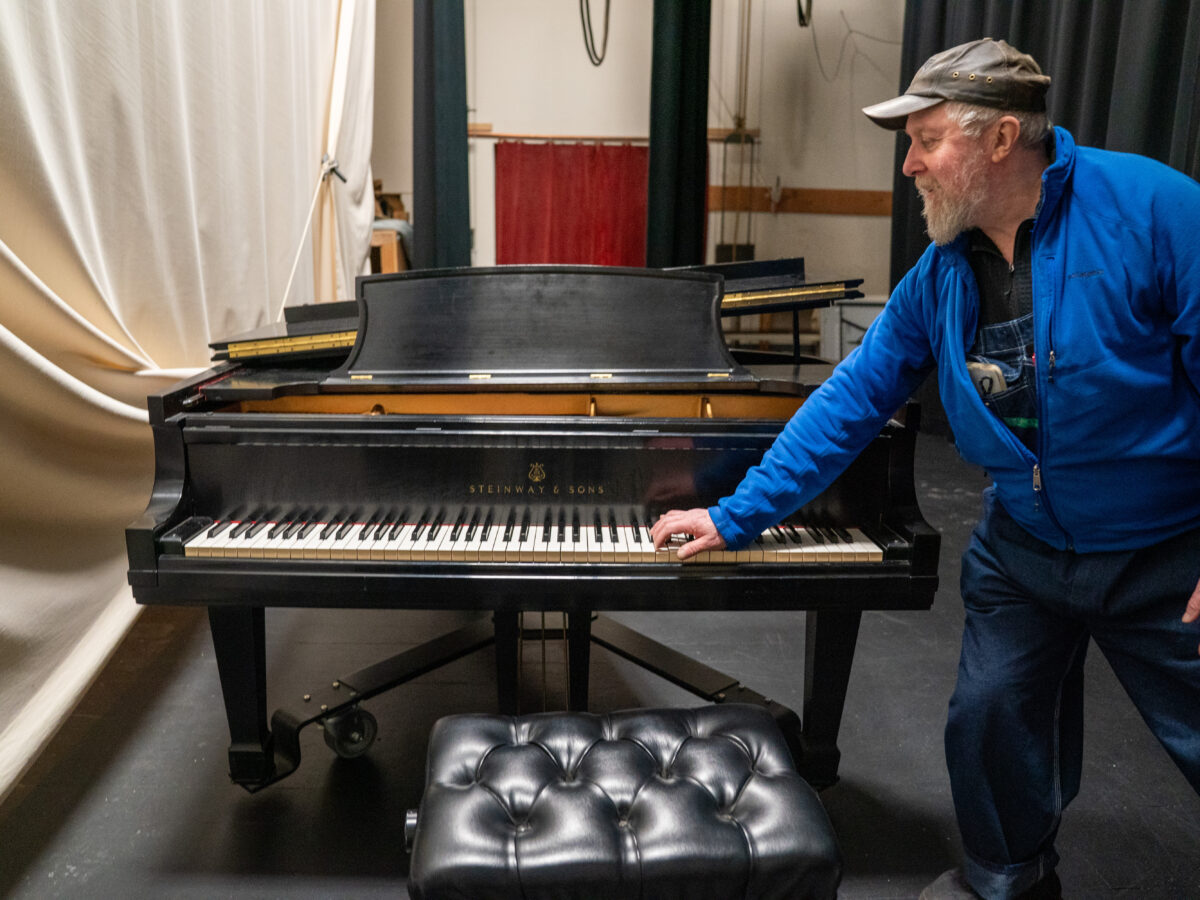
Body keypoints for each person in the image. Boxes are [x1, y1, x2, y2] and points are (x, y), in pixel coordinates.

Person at [650, 37, 1200, 900]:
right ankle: (1006, 882)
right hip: (1024, 549)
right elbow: (850, 399)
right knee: (989, 723)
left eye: (924, 140)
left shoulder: (1158, 209)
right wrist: (734, 513)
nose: (907, 165)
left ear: (1001, 138)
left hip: (1164, 550)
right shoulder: (942, 271)